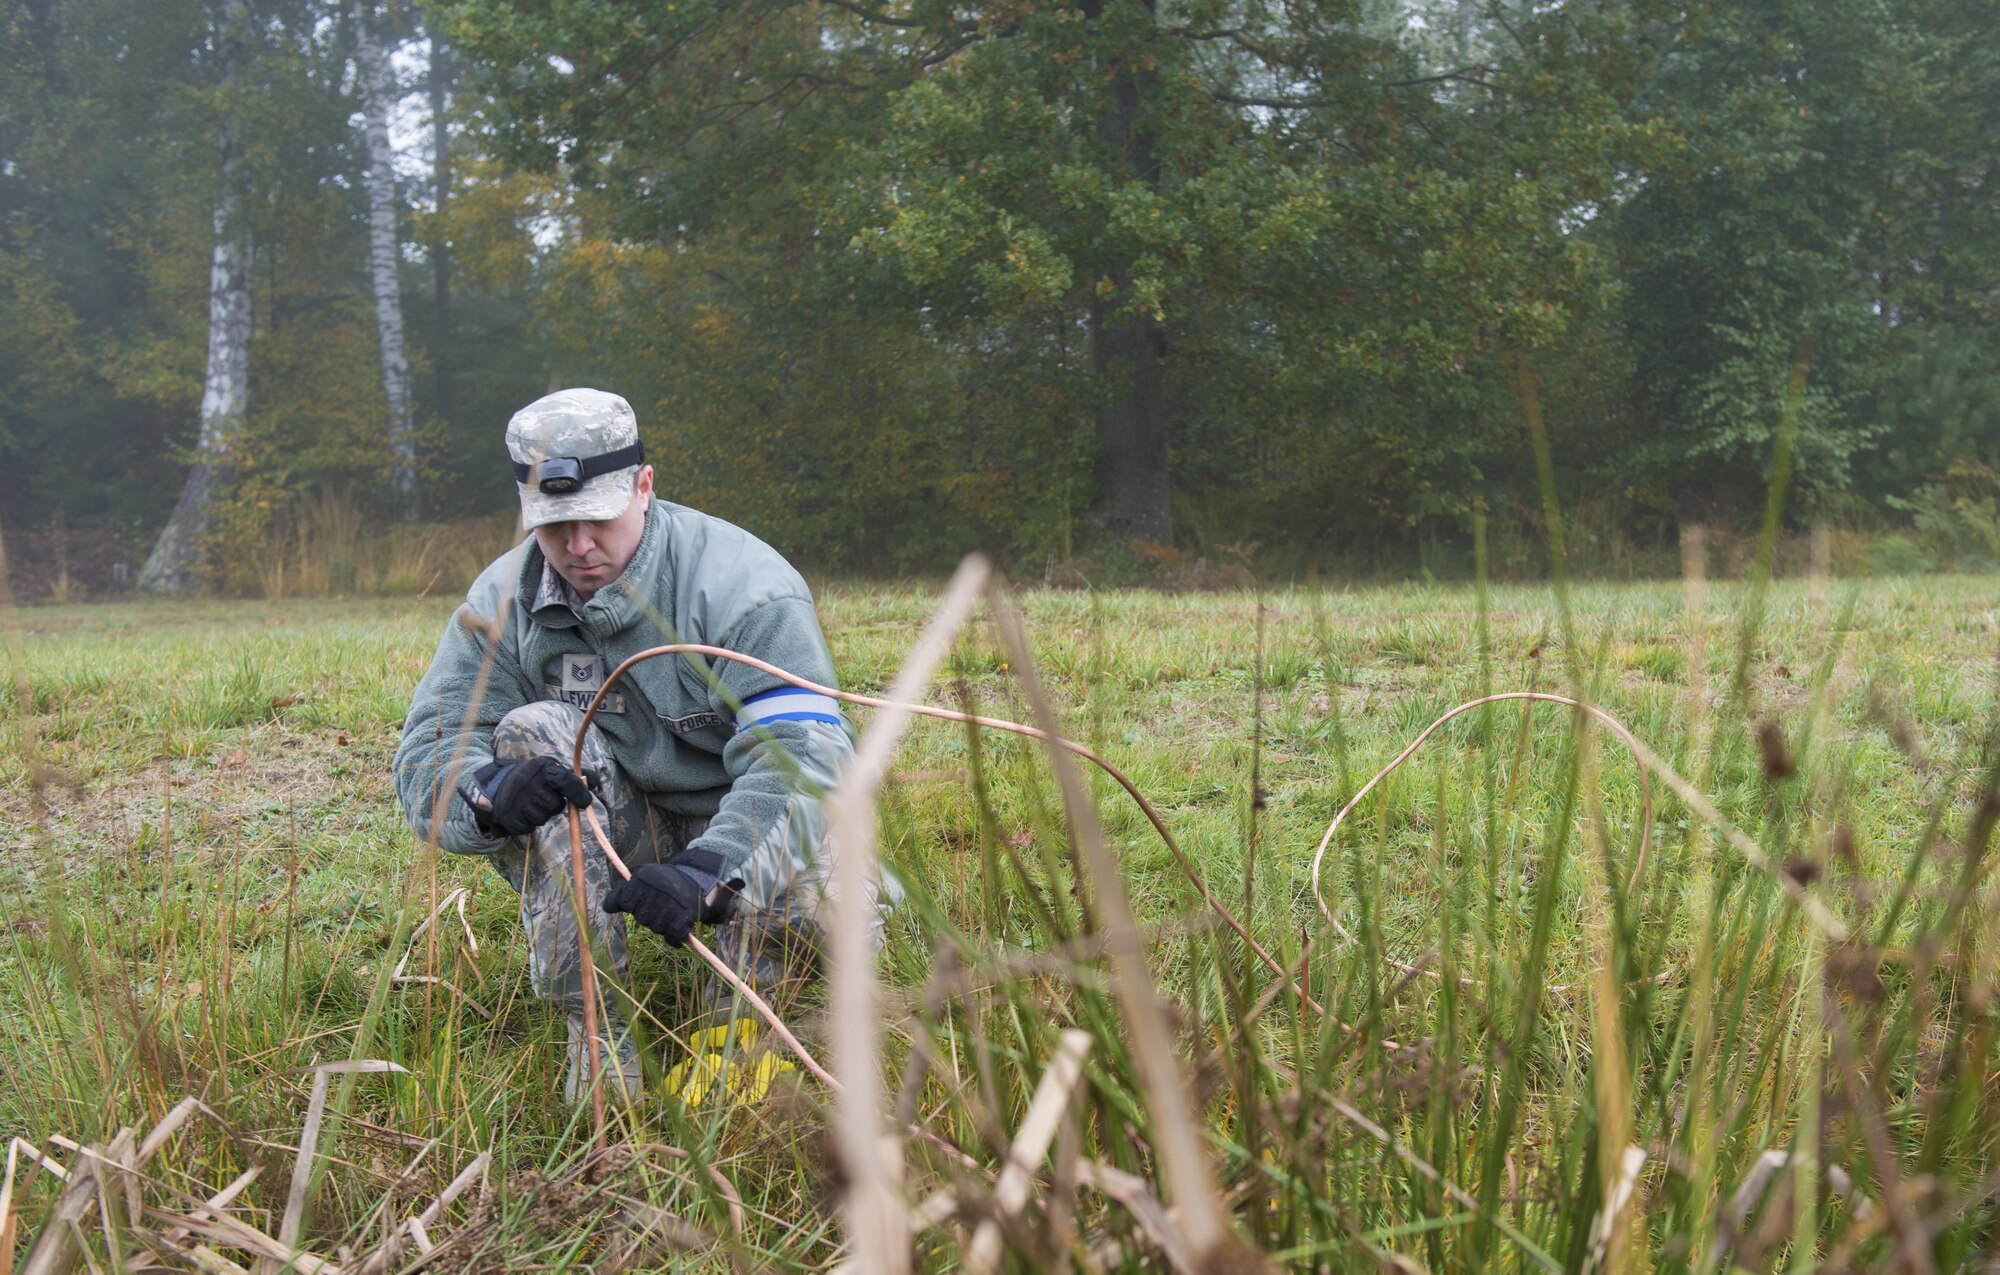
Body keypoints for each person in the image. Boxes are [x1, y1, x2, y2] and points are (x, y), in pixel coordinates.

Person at [392, 387, 896, 1103]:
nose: (578, 546)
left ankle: (749, 1023)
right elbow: (429, 748)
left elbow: (803, 757)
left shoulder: (744, 588)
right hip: (616, 829)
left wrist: (709, 871)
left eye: (597, 517)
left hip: (740, 833)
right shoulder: (500, 601)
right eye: (554, 525)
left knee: (826, 924)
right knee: (530, 735)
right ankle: (598, 1034)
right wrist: (484, 792)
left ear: (645, 486)